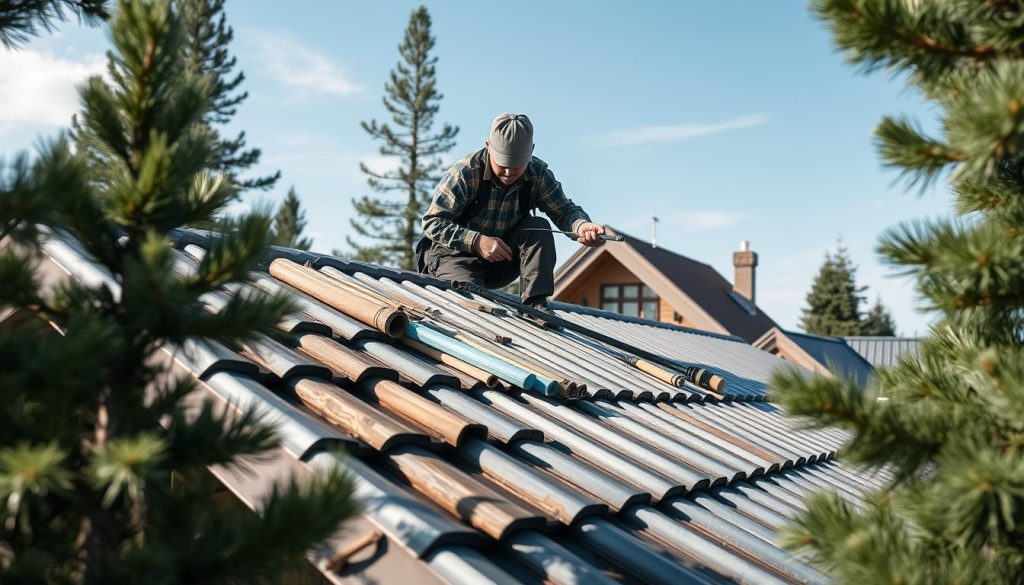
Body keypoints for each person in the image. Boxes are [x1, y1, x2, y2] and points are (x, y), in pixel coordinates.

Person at [418, 113, 607, 310]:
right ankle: (469, 293)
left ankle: (536, 305)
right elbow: (433, 223)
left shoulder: (537, 173)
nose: (509, 173)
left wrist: (581, 226)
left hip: (501, 261)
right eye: (503, 164)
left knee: (539, 227)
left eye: (517, 166)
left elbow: (564, 211)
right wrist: (476, 241)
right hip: (455, 258)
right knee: (471, 305)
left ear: (531, 151)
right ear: (488, 146)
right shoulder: (465, 173)